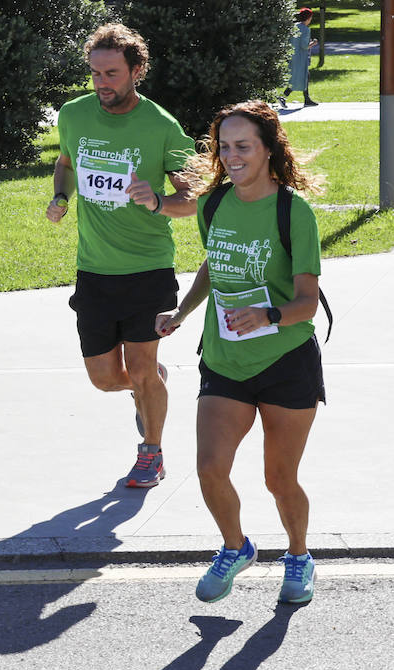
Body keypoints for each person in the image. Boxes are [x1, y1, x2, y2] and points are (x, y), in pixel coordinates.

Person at [155, 100, 323, 605]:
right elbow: (215, 263)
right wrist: (183, 311)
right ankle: (236, 547)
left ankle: (298, 556)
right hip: (226, 359)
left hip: (285, 360)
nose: (231, 156)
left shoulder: (293, 212)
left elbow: (307, 303)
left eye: (243, 146)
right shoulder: (212, 205)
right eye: (224, 146)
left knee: (279, 478)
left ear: (268, 150)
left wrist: (268, 315)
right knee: (209, 466)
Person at [47, 23, 197, 489]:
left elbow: (192, 200)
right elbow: (66, 164)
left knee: (142, 369)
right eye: (95, 73)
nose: (101, 83)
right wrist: (61, 196)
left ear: (137, 70)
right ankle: (149, 380)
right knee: (105, 378)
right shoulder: (73, 116)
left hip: (147, 269)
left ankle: (151, 452)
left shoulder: (161, 126)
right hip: (94, 270)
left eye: (111, 73)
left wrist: (155, 201)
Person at [285, 8, 319, 108]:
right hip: (301, 57)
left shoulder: (295, 27)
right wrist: (313, 43)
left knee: (303, 76)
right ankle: (284, 96)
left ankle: (306, 99)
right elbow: (304, 46)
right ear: (308, 18)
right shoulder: (306, 29)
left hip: (292, 55)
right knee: (299, 77)